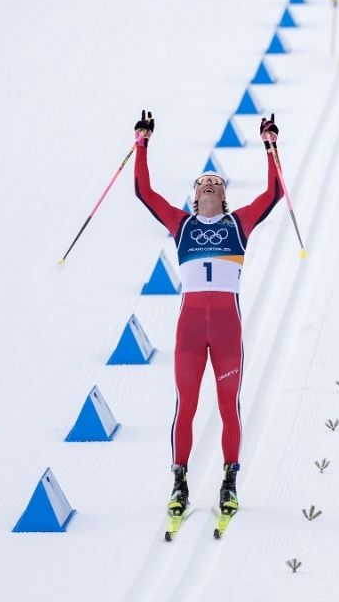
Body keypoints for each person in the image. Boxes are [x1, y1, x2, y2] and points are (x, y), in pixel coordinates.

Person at [131, 110, 283, 538]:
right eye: (202, 182)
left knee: (229, 406)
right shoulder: (181, 225)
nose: (210, 183)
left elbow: (274, 193)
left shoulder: (240, 223)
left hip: (227, 329)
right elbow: (144, 191)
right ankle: (179, 483)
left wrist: (270, 145)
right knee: (187, 407)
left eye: (216, 181)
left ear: (225, 195)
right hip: (191, 330)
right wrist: (142, 142)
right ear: (194, 197)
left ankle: (229, 483)